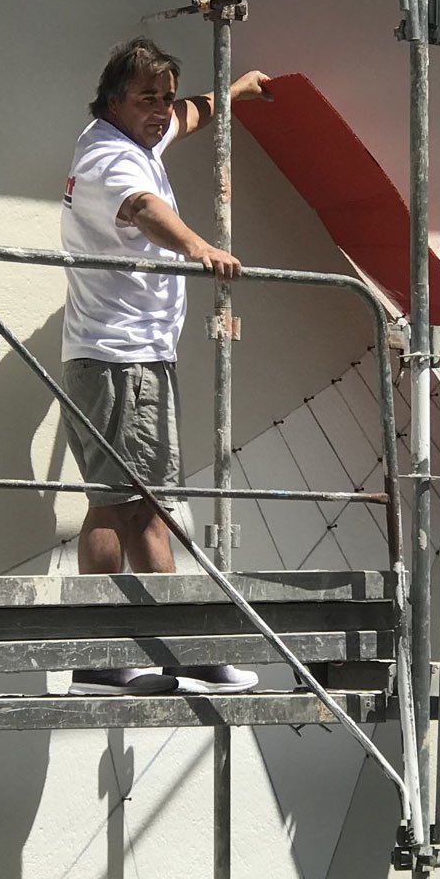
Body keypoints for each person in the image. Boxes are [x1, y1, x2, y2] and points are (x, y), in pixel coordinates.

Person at [60, 37, 272, 695]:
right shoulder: (109, 158)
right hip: (120, 359)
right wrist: (199, 247)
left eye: (165, 97)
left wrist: (233, 93)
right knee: (125, 505)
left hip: (129, 356)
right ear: (113, 100)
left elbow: (186, 117)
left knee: (136, 504)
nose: (161, 110)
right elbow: (144, 210)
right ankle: (138, 655)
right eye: (146, 98)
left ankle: (155, 653)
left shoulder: (136, 137)